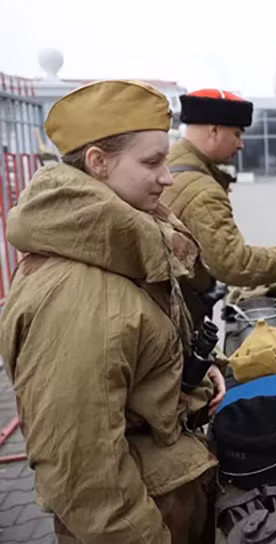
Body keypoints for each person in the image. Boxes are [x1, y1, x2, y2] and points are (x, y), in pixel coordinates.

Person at [0, 80, 227, 542]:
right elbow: (86, 481)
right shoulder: (76, 294)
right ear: (98, 163)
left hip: (167, 495)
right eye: (152, 162)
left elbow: (134, 356)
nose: (168, 177)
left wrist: (196, 375)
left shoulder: (122, 244)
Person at [163, 89, 276, 324]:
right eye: (237, 134)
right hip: (178, 316)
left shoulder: (170, 162)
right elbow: (235, 264)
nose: (241, 144)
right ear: (214, 131)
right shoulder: (202, 190)